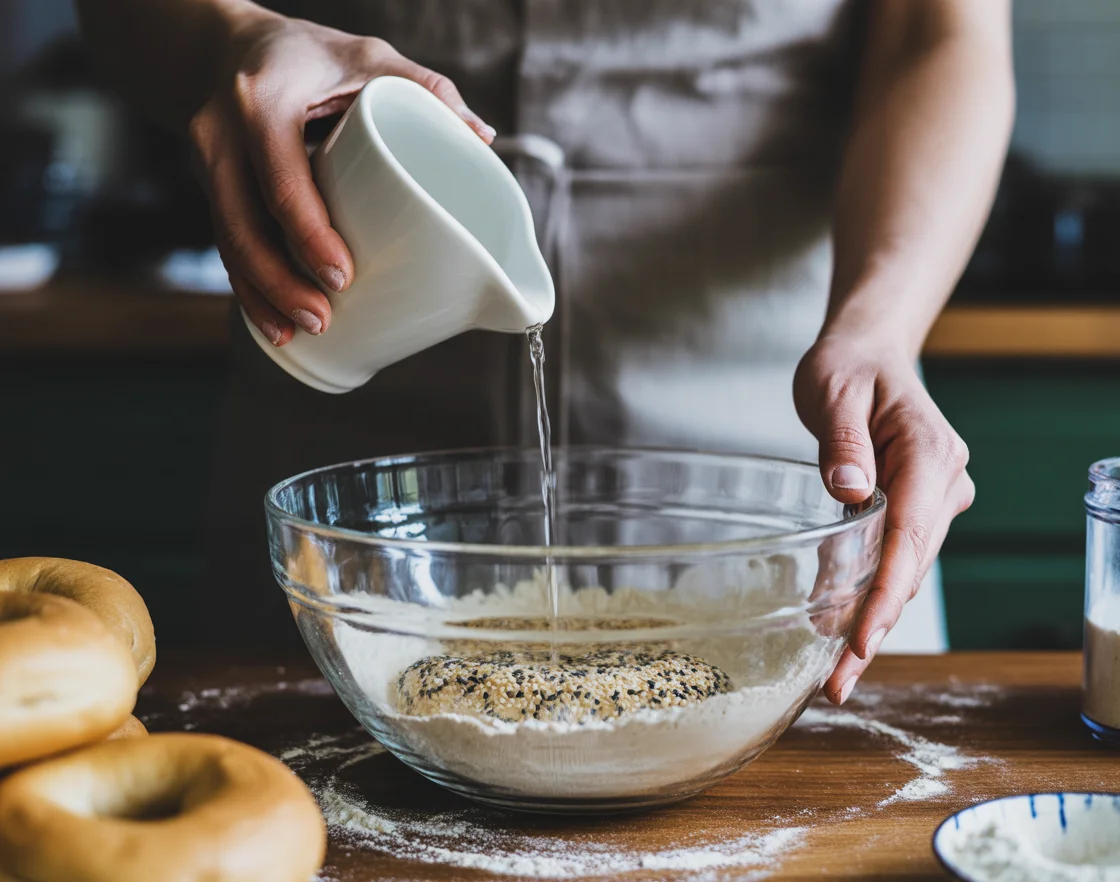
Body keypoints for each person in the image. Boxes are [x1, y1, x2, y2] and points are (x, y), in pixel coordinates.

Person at [77, 0, 1013, 704]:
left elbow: (939, 34)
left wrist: (879, 326)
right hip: (345, 383)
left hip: (773, 402)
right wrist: (228, 37)